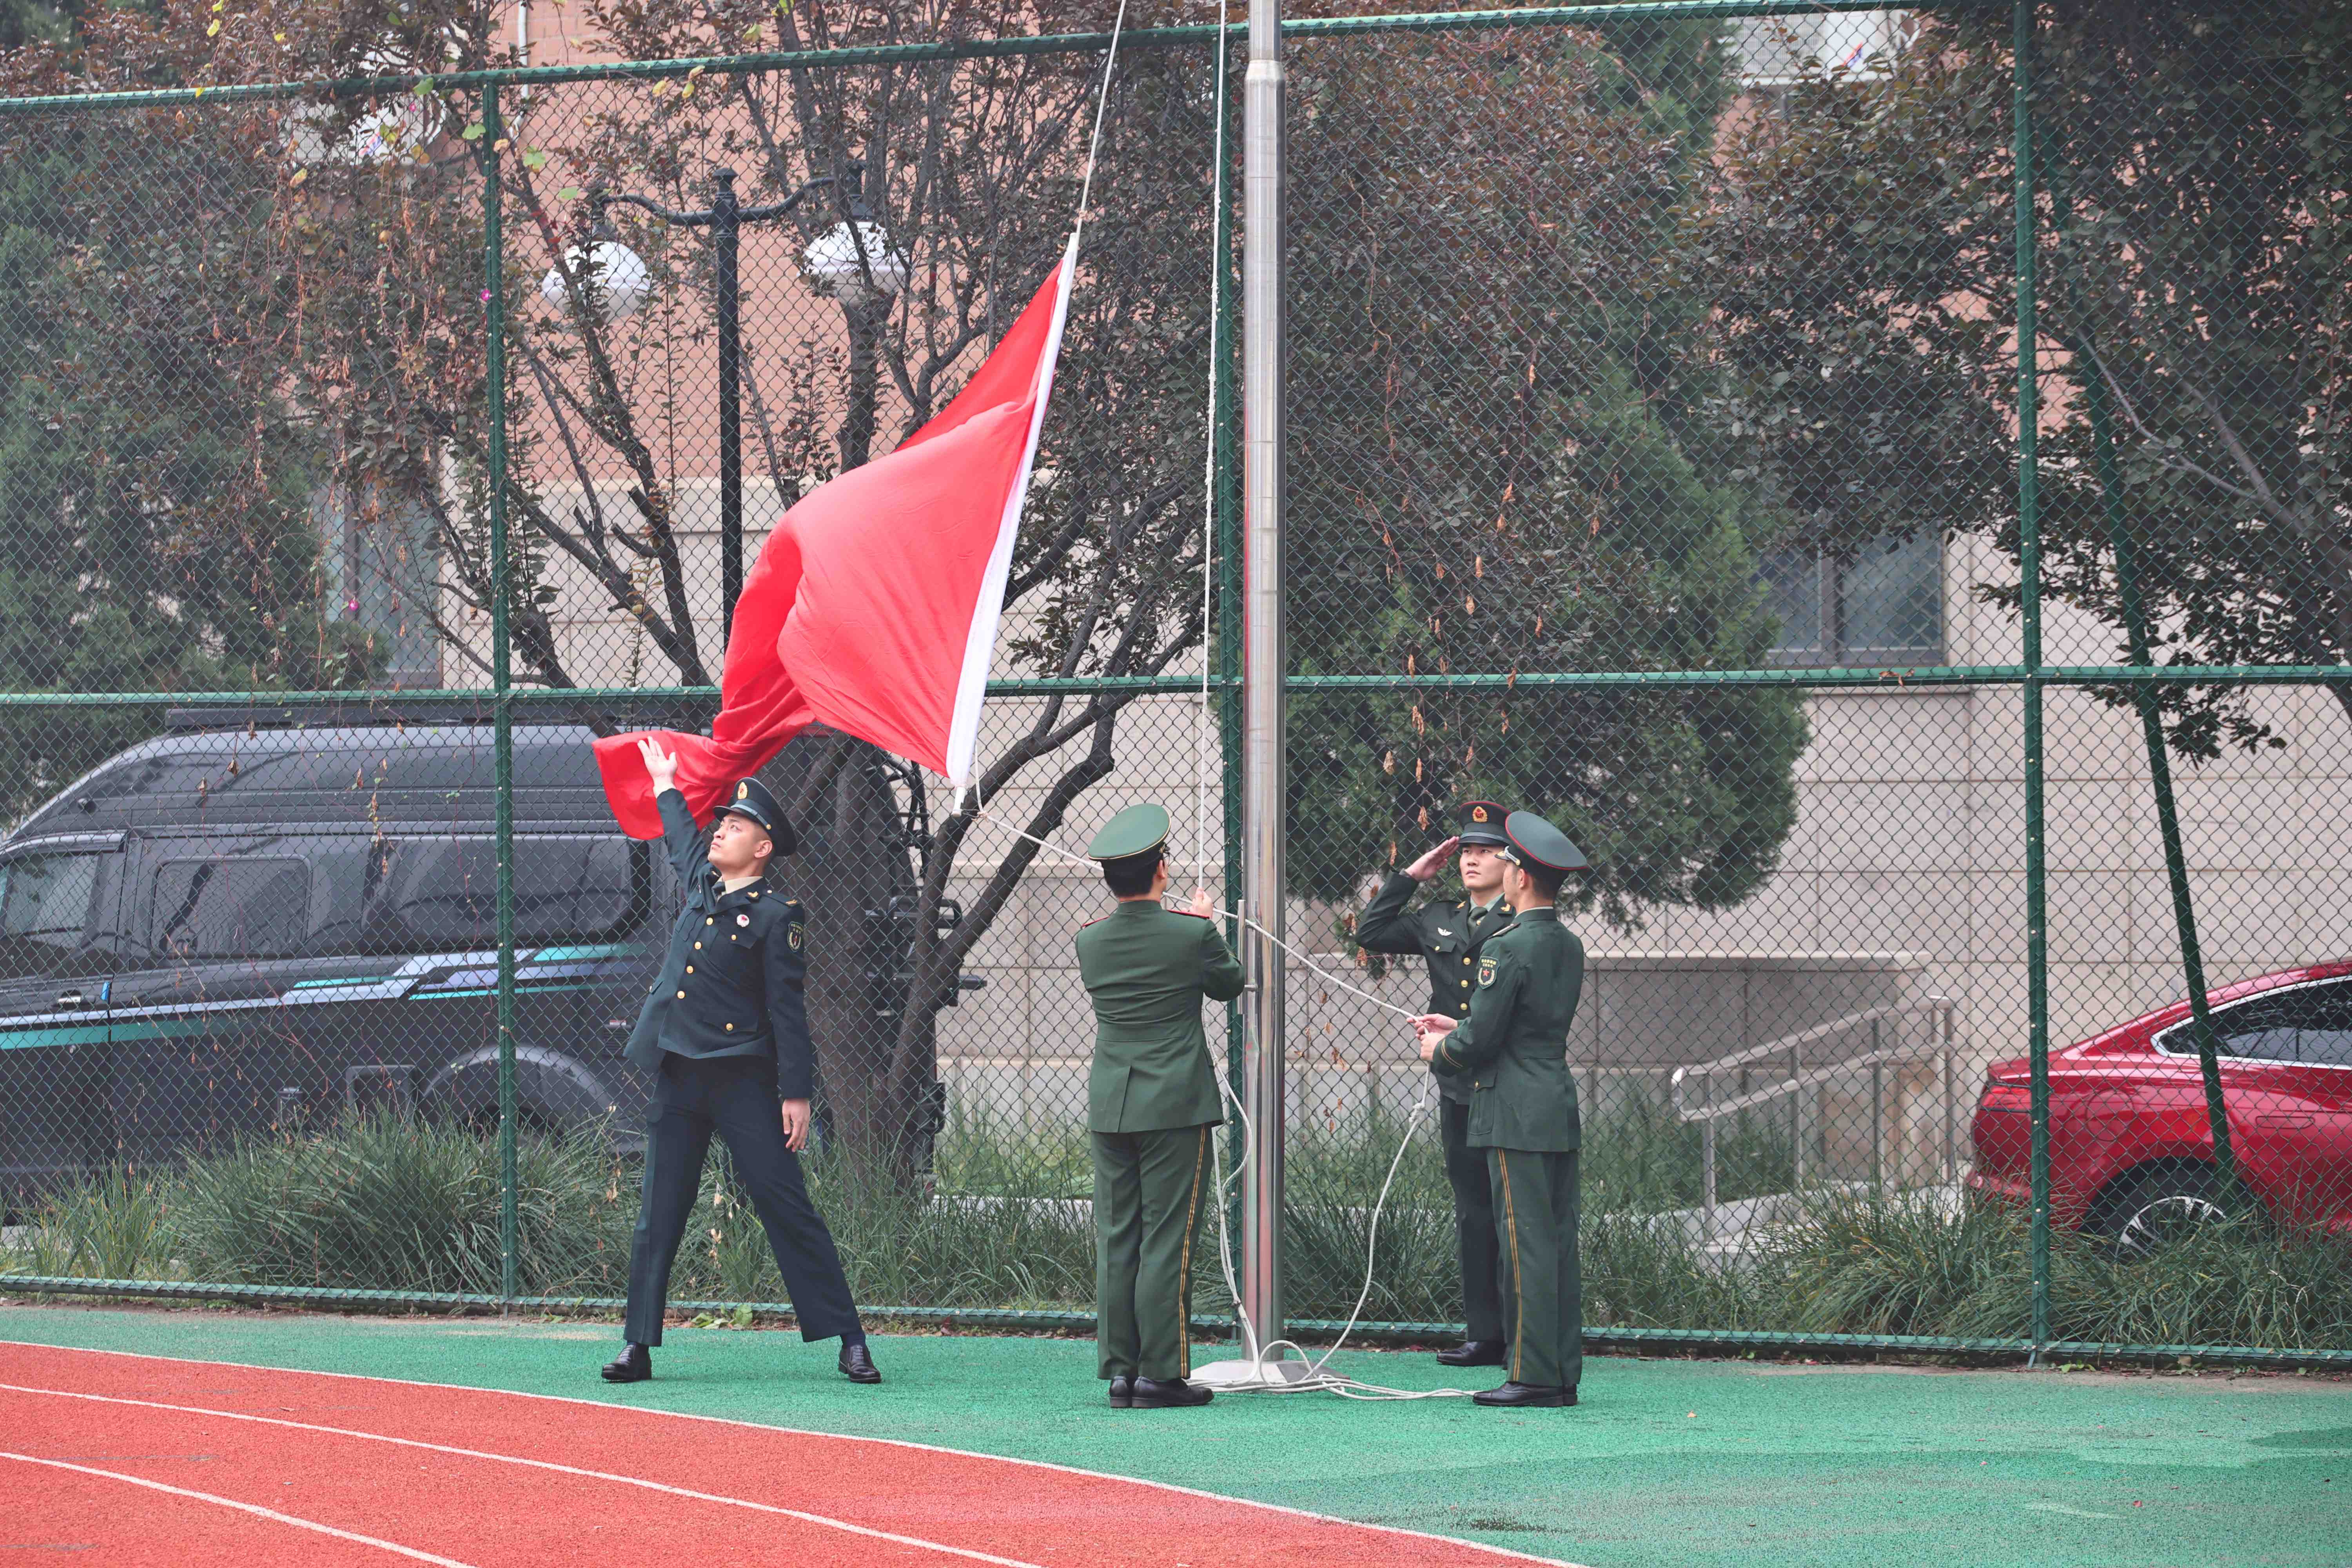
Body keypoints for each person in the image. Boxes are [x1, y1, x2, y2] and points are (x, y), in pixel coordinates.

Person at [601, 737, 878, 1387]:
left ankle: (850, 1338)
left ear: (763, 850)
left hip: (744, 1083)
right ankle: (637, 1345)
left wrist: (797, 1093)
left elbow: (788, 1012)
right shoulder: (702, 885)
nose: (723, 829)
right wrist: (666, 783)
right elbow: (678, 841)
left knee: (788, 1207)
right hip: (679, 1076)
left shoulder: (777, 918)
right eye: (723, 823)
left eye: (737, 826)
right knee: (658, 1212)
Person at [1413, 811, 1589, 1409]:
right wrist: (1463, 1024)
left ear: (1520, 877)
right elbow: (1523, 1027)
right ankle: (1560, 1370)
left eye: (1508, 864)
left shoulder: (1507, 946)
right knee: (1557, 1239)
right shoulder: (1565, 942)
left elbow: (1480, 1044)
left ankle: (1533, 1375)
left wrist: (1442, 1045)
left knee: (1523, 1245)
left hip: (1512, 1109)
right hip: (1553, 1104)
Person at [1075, 803, 1246, 1410]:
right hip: (1173, 1102)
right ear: (1162, 870)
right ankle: (1161, 1374)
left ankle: (1122, 1372)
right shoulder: (1190, 933)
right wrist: (1206, 922)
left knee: (1119, 1236)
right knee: (1167, 1240)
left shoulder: (1089, 941)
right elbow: (1229, 984)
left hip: (1111, 1104)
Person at [1356, 799, 1518, 1369]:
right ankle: (1485, 1334)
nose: (1472, 861)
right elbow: (1372, 932)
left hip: (1509, 1083)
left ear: (1511, 860)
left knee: (1513, 1213)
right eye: (1466, 852)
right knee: (1473, 1211)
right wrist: (1410, 877)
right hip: (1457, 1086)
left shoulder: (1523, 920)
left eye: (1486, 851)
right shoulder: (1439, 916)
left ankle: (1525, 1335)